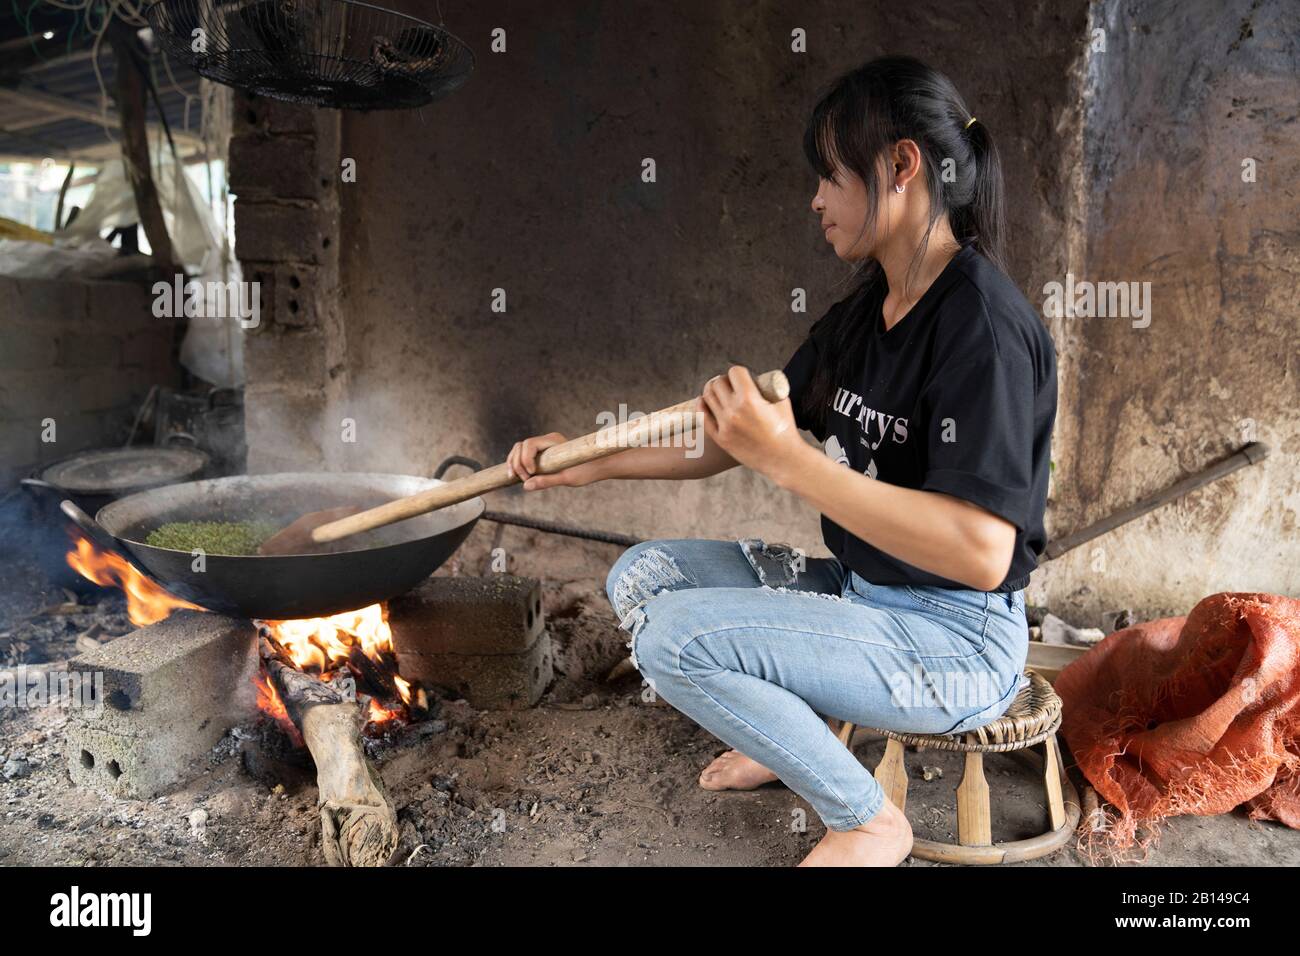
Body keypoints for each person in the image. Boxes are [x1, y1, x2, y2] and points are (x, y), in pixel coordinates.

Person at [507, 55, 1057, 867]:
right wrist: (589, 464)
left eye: (832, 176)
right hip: (866, 597)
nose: (816, 200)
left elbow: (982, 554)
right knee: (642, 578)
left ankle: (867, 819)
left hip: (953, 643)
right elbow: (729, 436)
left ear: (902, 165)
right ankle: (785, 734)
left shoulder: (983, 328)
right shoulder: (868, 309)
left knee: (676, 643)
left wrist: (790, 463)